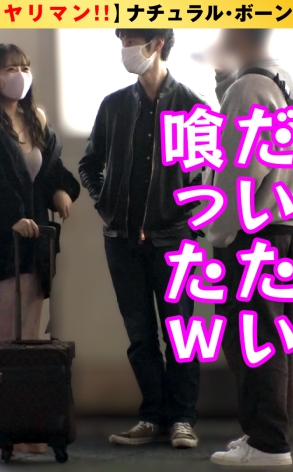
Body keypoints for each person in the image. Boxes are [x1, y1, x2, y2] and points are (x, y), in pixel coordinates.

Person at [0, 43, 80, 457]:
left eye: (25, 67)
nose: (20, 75)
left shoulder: (34, 118)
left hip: (33, 243)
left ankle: (20, 420)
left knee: (27, 334)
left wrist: (60, 190)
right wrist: (10, 215)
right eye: (11, 68)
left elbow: (50, 167)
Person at [78, 29, 204, 449]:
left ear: (158, 44)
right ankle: (153, 417)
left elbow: (210, 175)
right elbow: (89, 164)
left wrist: (189, 218)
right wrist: (106, 205)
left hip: (176, 242)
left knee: (181, 334)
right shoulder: (113, 106)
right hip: (123, 240)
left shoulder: (192, 106)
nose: (126, 49)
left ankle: (182, 419)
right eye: (123, 41)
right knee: (140, 336)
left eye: (133, 41)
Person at [204, 29, 293, 467]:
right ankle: (267, 435)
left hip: (254, 237)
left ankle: (268, 444)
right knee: (273, 338)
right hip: (284, 230)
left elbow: (240, 172)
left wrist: (219, 234)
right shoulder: (277, 79)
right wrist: (224, 81)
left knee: (253, 341)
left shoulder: (248, 89)